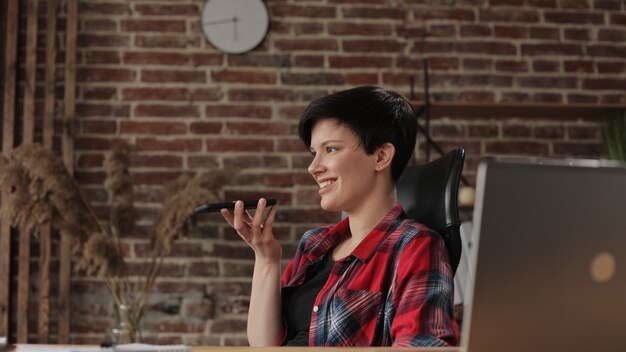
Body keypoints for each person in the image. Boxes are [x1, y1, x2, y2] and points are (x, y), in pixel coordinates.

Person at [220, 86, 459, 347]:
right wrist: (266, 258)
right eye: (314, 153)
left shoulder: (415, 247)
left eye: (331, 149)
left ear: (380, 156)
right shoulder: (314, 244)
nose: (313, 168)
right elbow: (264, 345)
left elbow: (422, 345)